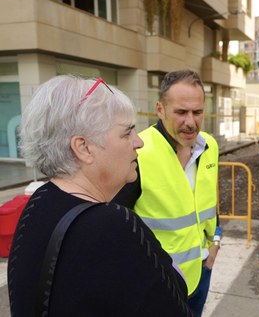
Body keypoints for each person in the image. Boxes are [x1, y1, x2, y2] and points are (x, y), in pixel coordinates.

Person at [8, 75, 192, 316]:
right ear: (83, 147)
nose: (139, 142)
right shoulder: (112, 225)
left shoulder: (39, 200)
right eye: (126, 134)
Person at [113, 69, 221, 317]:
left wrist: (215, 241)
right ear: (160, 110)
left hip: (201, 272)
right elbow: (117, 223)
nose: (191, 122)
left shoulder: (209, 146)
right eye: (181, 112)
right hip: (157, 283)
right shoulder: (138, 151)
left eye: (198, 112)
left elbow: (211, 201)